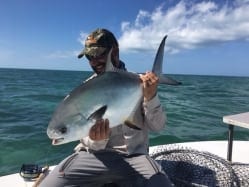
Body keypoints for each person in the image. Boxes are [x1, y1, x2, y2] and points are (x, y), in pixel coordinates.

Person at [40, 28, 172, 187]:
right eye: (89, 56)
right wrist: (97, 141)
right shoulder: (83, 92)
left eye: (98, 54)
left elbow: (158, 126)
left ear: (114, 52)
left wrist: (150, 96)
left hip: (135, 157)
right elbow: (84, 137)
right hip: (93, 156)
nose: (94, 61)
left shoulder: (140, 83)